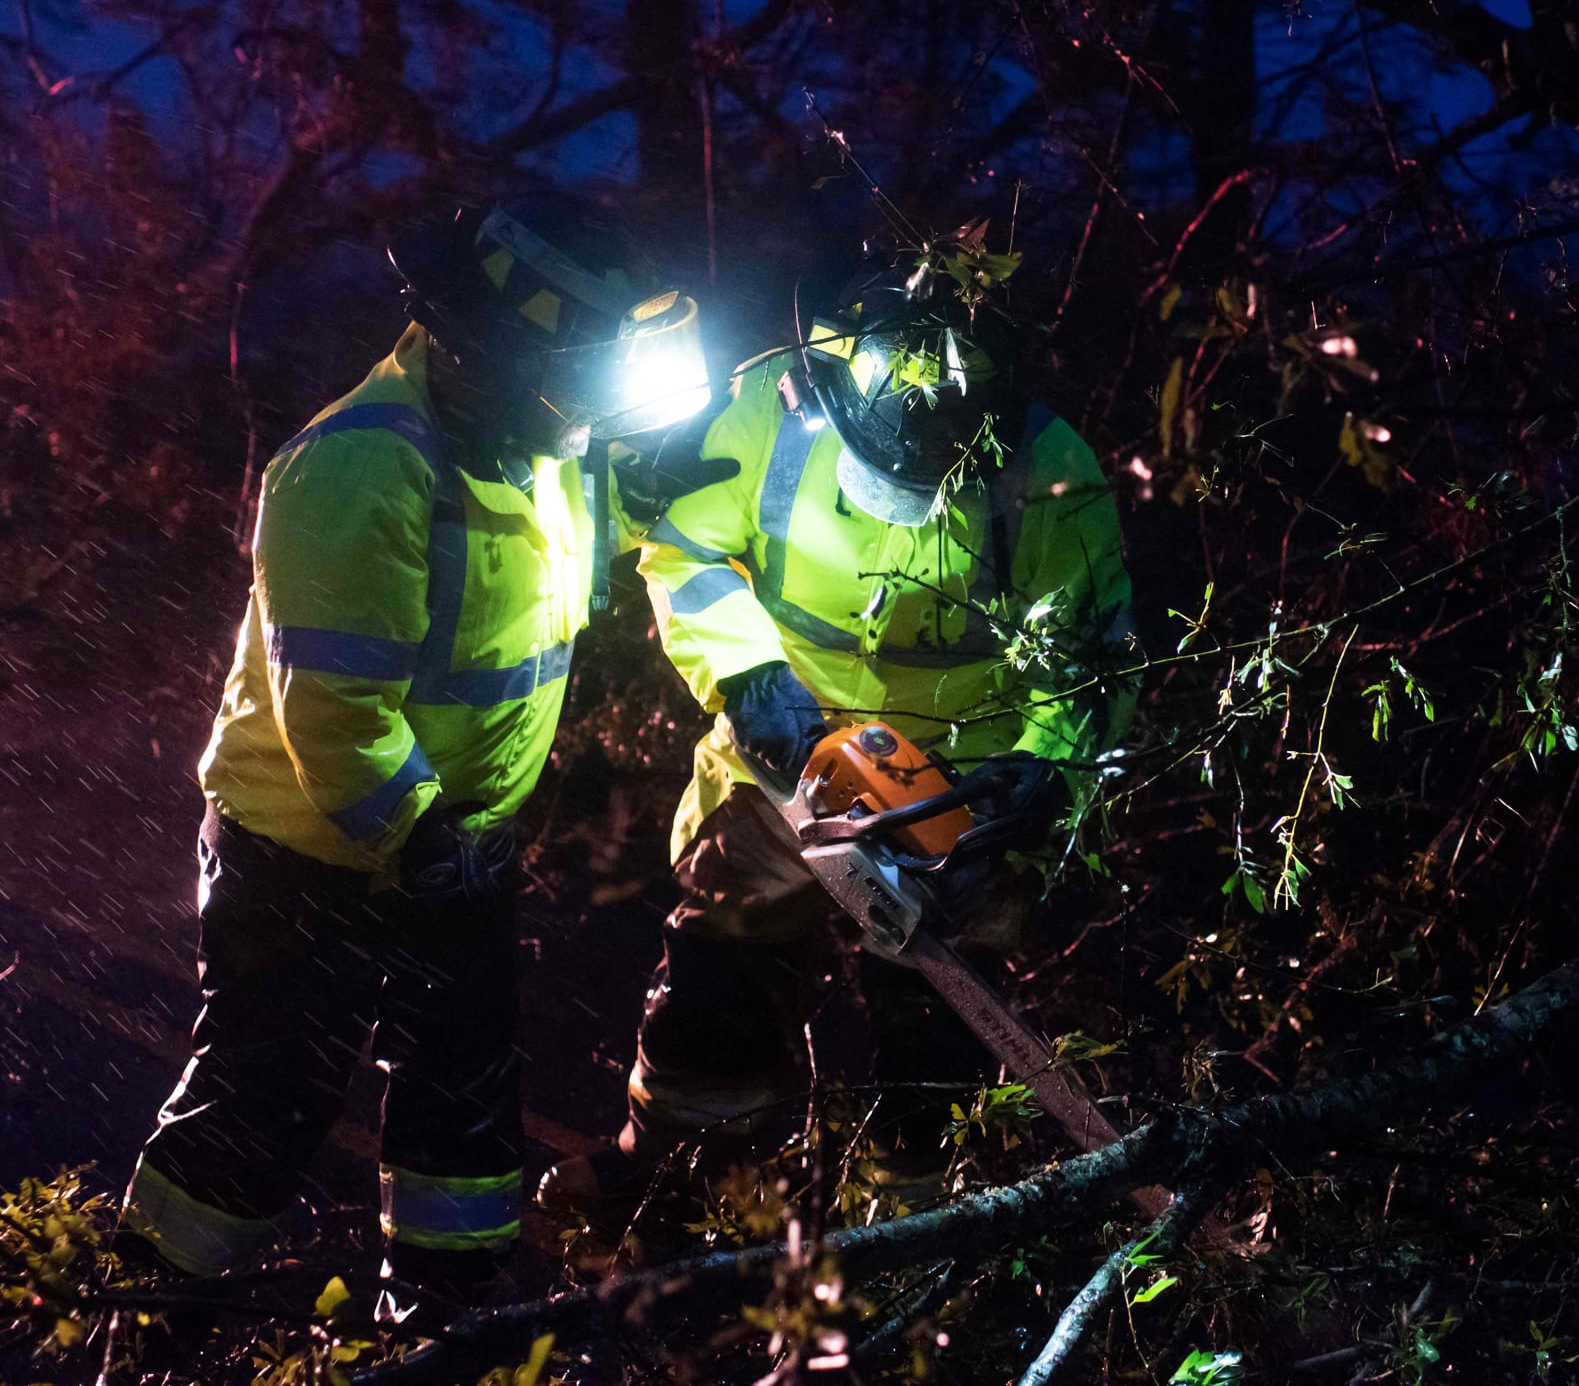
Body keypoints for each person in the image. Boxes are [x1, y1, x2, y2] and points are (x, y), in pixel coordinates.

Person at [105, 196, 711, 1362]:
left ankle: (443, 1336)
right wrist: (429, 839)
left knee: (463, 1122)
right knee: (263, 1107)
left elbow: (615, 553)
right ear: (487, 353)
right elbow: (334, 719)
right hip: (308, 859)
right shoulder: (357, 468)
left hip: (458, 846)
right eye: (575, 383)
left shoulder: (549, 453)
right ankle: (146, 1337)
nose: (589, 414)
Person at [550, 254, 1139, 1206]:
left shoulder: (1053, 472)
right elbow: (687, 547)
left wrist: (1046, 772)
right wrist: (747, 674)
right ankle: (670, 1181)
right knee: (717, 981)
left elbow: (1087, 653)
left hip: (962, 795)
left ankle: (908, 1223)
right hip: (780, 758)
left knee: (937, 1042)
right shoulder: (767, 412)